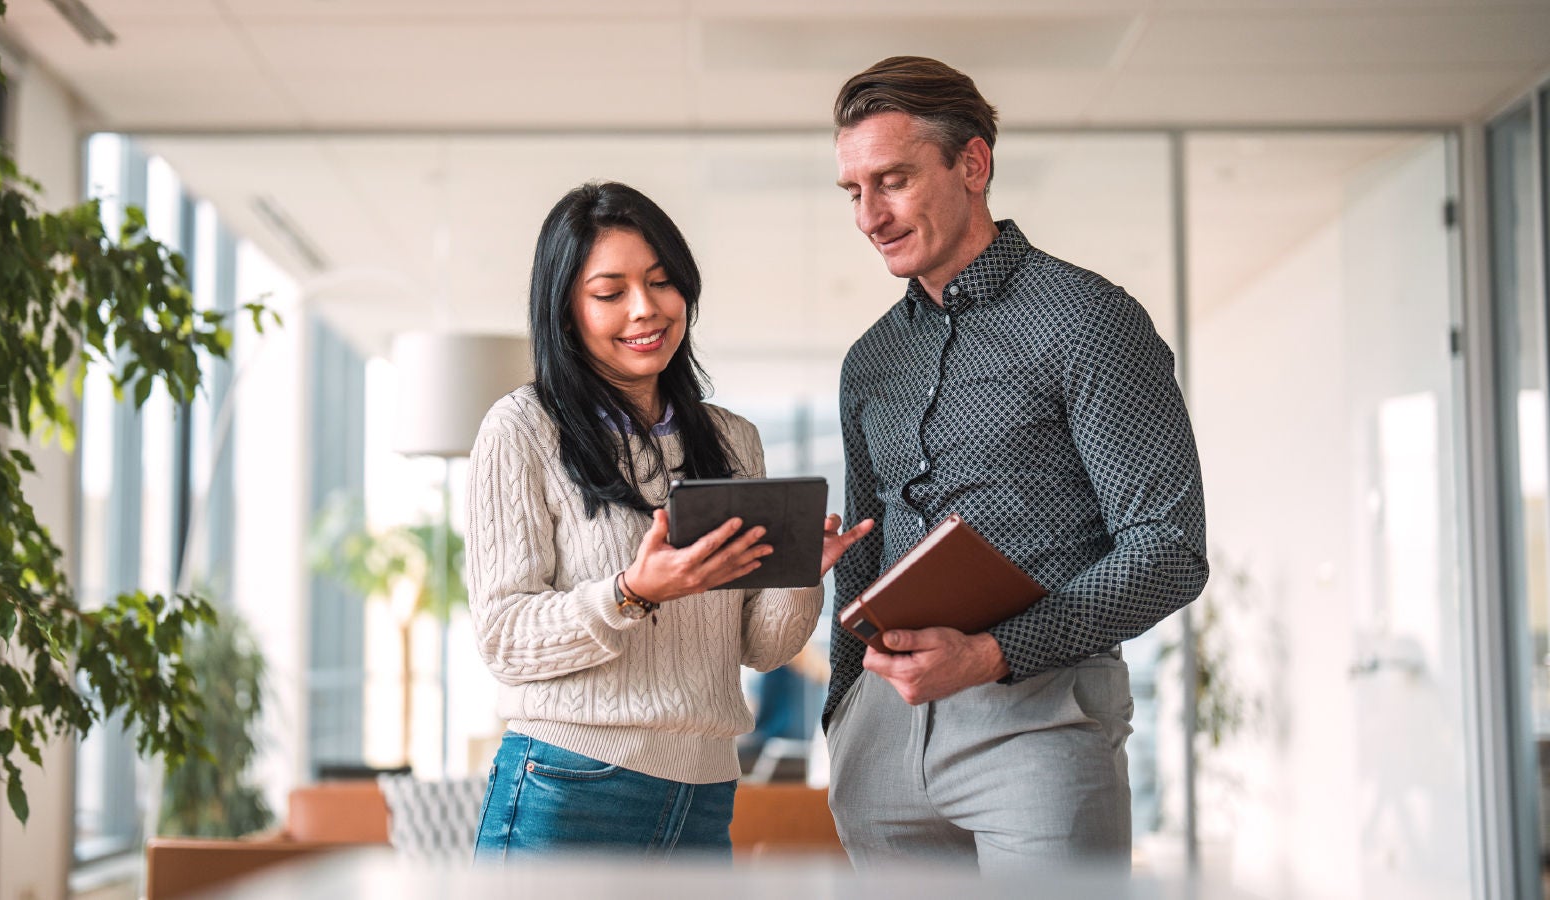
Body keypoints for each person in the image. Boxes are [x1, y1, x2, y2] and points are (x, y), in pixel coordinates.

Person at [823, 56, 1209, 874]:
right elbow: (862, 545)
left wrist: (992, 654)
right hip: (883, 743)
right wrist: (843, 711)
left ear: (973, 163)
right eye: (853, 191)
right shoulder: (870, 361)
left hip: (1040, 725)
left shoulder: (1089, 320)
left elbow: (1169, 548)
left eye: (891, 180)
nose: (870, 215)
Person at [465, 180, 871, 862]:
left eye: (661, 282)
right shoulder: (522, 429)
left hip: (705, 789)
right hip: (570, 783)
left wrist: (801, 570)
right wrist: (633, 592)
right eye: (610, 291)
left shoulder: (734, 440)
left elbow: (762, 648)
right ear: (566, 310)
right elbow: (504, 638)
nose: (645, 309)